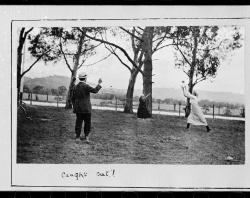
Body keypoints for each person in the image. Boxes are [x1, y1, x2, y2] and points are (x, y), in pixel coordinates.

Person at [72, 72, 102, 142]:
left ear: (79, 78)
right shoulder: (86, 86)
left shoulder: (75, 87)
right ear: (85, 79)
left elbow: (72, 98)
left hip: (78, 109)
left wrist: (74, 107)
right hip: (87, 109)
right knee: (87, 123)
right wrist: (99, 83)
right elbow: (95, 90)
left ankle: (77, 137)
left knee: (78, 123)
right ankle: (87, 137)